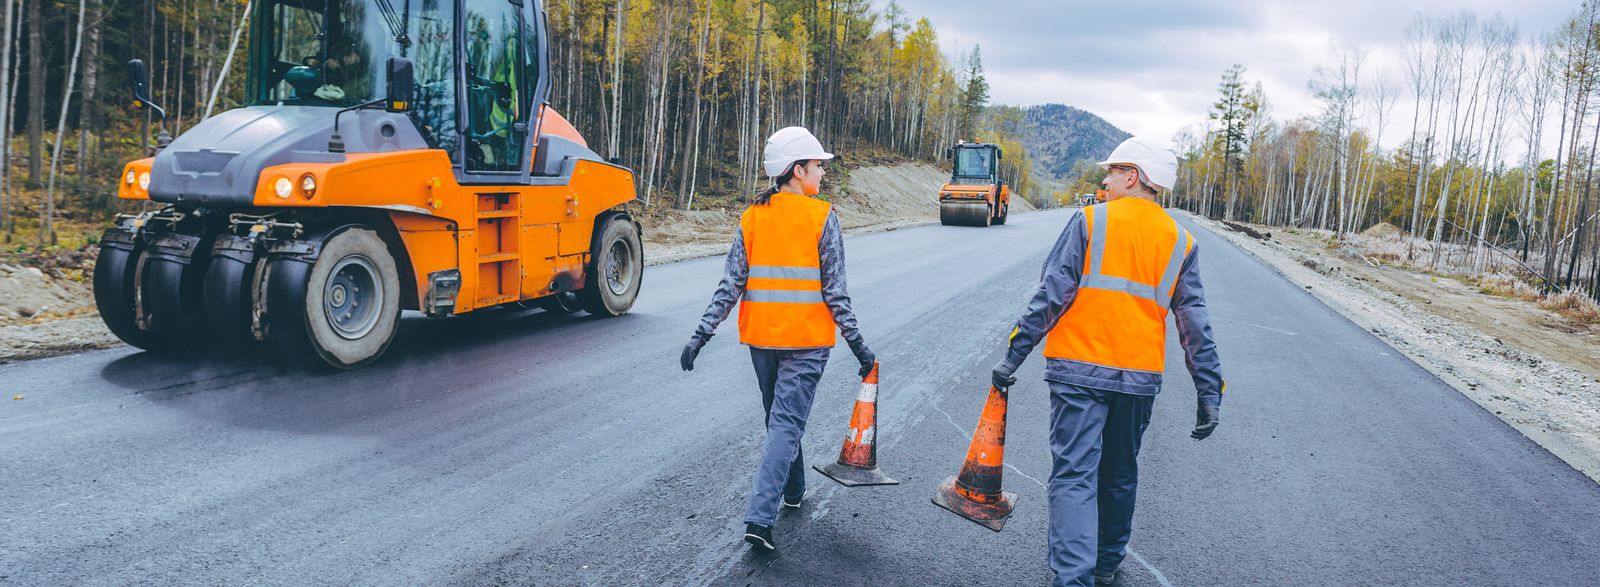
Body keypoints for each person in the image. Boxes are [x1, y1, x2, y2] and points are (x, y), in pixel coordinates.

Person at [989, 136, 1226, 586]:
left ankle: (1073, 577)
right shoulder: (1181, 241)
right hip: (1137, 378)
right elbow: (1195, 322)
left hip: (1078, 370)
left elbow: (1051, 294)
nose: (1105, 178)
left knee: (1075, 475)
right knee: (1119, 473)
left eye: (1113, 171)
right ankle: (1105, 564)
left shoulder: (1090, 222)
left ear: (1133, 176)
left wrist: (1013, 355)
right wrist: (1208, 391)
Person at [680, 126, 876, 553]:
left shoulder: (753, 216)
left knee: (781, 421)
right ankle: (759, 518)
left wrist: (701, 334)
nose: (822, 173)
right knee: (785, 424)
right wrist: (860, 347)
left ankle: (794, 489)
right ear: (797, 170)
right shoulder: (823, 217)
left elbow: (729, 285)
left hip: (763, 343)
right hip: (806, 344)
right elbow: (836, 292)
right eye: (818, 166)